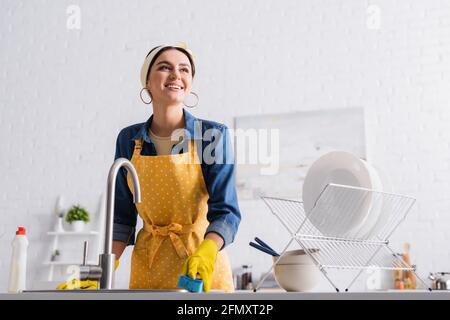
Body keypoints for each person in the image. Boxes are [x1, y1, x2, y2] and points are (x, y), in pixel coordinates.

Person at [112, 43, 241, 292]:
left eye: (184, 70)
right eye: (164, 67)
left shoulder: (211, 136)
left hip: (199, 264)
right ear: (147, 81)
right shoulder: (128, 140)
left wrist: (208, 250)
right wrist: (106, 266)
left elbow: (226, 211)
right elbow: (122, 217)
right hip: (148, 263)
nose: (176, 75)